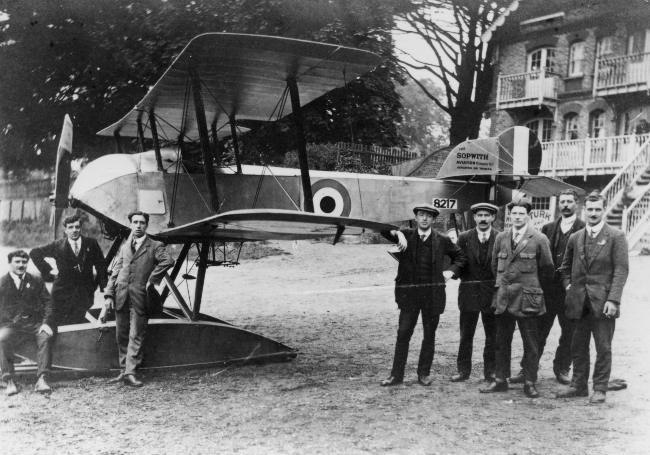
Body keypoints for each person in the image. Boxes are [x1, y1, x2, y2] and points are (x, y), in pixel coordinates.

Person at [380, 204, 467, 387]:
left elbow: (460, 257)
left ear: (433, 219)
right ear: (416, 217)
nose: (425, 218)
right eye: (421, 215)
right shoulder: (408, 235)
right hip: (409, 296)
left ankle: (423, 374)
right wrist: (399, 233)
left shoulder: (442, 240)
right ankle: (396, 376)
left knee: (429, 335)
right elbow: (384, 229)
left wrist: (450, 272)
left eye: (428, 216)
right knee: (403, 334)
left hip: (432, 296)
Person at [556, 191, 629, 404]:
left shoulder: (616, 236)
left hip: (603, 303)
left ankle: (600, 388)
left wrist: (613, 299)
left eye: (598, 209)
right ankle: (578, 385)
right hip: (578, 302)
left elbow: (621, 270)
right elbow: (565, 267)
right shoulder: (576, 237)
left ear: (603, 210)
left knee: (603, 347)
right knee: (577, 345)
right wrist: (569, 286)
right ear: (584, 210)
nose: (594, 213)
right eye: (590, 209)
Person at [509, 190, 585, 385]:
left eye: (569, 202)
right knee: (538, 332)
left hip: (570, 290)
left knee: (568, 332)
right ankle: (527, 369)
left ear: (576, 204)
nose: (565, 205)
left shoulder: (583, 229)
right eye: (562, 202)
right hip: (548, 290)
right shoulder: (548, 228)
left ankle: (561, 368)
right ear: (558, 204)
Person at [480, 198, 553, 398]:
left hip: (528, 300)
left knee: (531, 343)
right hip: (504, 299)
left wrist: (534, 291)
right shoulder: (501, 238)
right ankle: (501, 380)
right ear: (510, 215)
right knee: (501, 342)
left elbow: (547, 269)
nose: (518, 217)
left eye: (522, 213)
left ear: (528, 215)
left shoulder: (539, 239)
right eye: (515, 213)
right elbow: (495, 266)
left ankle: (530, 381)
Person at [104, 211, 174, 387]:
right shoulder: (126, 246)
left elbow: (168, 260)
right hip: (121, 295)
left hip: (140, 297)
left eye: (142, 223)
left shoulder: (155, 245)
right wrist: (108, 294)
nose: (138, 225)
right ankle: (123, 370)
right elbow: (115, 271)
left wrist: (152, 279)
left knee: (136, 335)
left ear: (146, 225)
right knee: (121, 335)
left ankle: (131, 372)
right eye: (135, 222)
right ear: (130, 225)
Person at [450, 203, 500, 383]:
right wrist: (454, 274)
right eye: (480, 215)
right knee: (466, 334)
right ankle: (463, 371)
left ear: (493, 217)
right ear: (474, 218)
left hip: (492, 295)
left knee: (492, 336)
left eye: (487, 215)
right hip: (469, 293)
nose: (483, 219)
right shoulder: (464, 237)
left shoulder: (501, 237)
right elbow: (458, 260)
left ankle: (491, 372)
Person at [30, 214, 107, 326]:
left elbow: (101, 266)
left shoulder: (91, 243)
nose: (74, 230)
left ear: (81, 228)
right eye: (70, 227)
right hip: (62, 294)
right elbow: (34, 253)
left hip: (84, 294)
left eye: (77, 227)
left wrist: (104, 287)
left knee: (79, 321)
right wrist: (49, 272)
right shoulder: (57, 245)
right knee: (60, 322)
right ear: (65, 230)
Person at [0, 250, 55, 395]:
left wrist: (46, 322)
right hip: (11, 325)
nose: (21, 265)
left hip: (34, 324)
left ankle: (42, 379)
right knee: (2, 339)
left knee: (45, 337)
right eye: (17, 262)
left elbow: (48, 302)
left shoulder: (36, 280)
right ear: (9, 263)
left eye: (24, 262)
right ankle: (9, 381)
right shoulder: (2, 282)